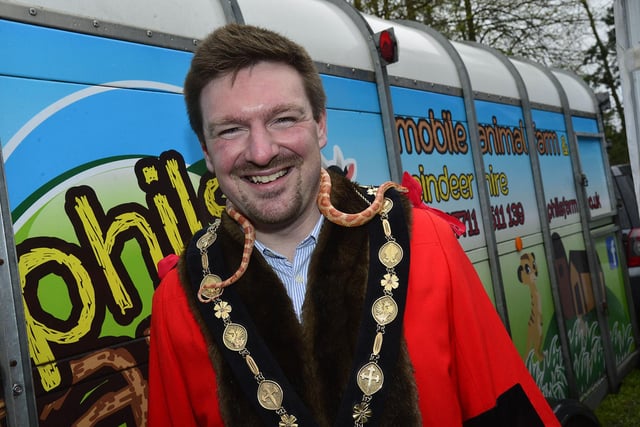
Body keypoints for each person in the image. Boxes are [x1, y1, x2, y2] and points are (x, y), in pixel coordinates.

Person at [148, 23, 560, 426]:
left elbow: (503, 407)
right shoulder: (183, 297)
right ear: (205, 148)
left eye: (283, 119)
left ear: (321, 124)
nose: (260, 152)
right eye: (231, 130)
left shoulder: (426, 245)